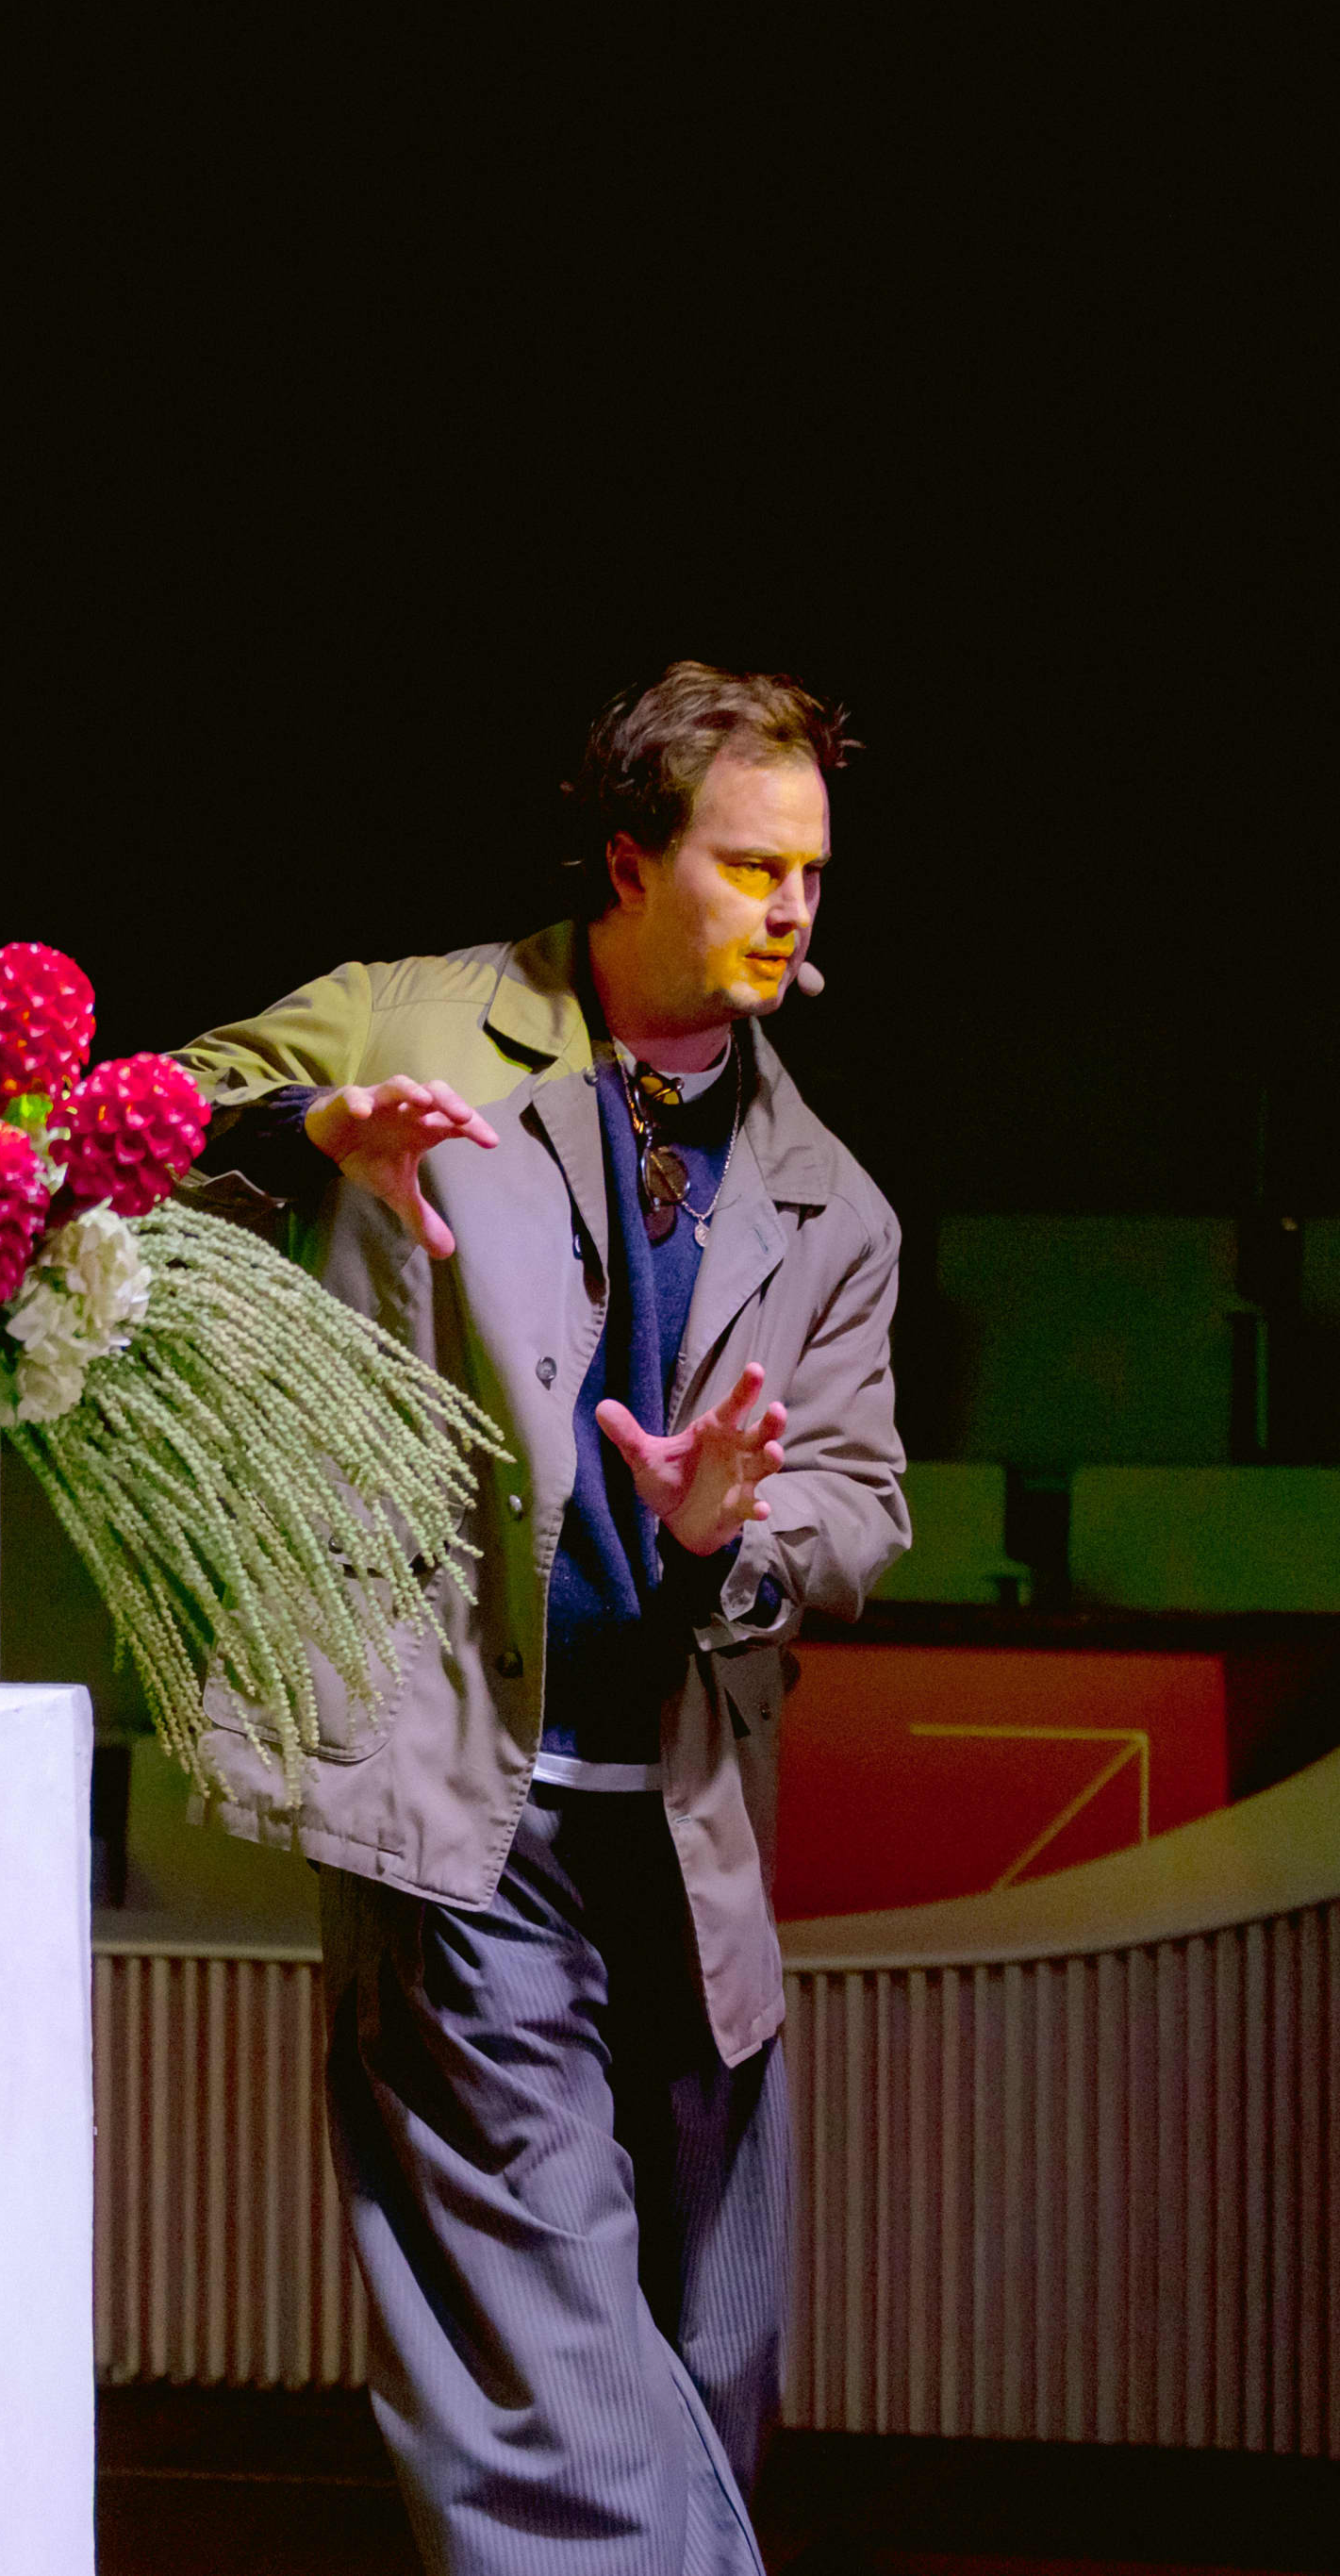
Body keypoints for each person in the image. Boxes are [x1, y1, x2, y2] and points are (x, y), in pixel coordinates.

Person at [175, 662, 911, 2571]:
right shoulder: (412, 1020)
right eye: (750, 866)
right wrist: (311, 1132)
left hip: (686, 1830)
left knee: (703, 2367)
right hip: (466, 1806)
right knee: (547, 2398)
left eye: (811, 873)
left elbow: (863, 1505)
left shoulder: (832, 1204)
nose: (791, 907)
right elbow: (141, 1125)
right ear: (623, 859)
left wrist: (726, 1536)